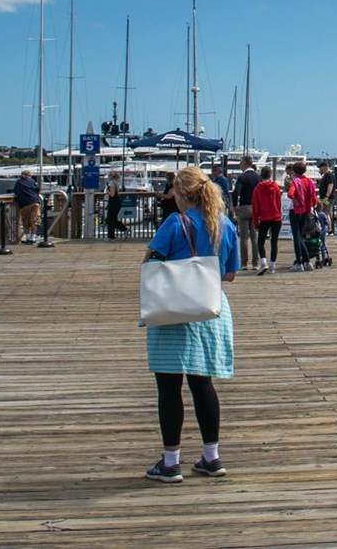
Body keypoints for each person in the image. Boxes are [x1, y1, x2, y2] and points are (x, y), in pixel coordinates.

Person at [143, 166, 239, 482]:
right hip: (210, 310)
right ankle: (211, 457)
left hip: (172, 311)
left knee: (169, 387)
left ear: (182, 193)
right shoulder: (224, 225)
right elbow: (229, 273)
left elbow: (151, 263)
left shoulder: (175, 222)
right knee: (203, 384)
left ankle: (171, 462)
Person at [286, 162, 319, 271]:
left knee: (297, 237)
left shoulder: (295, 182)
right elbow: (314, 199)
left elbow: (290, 194)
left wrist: (296, 200)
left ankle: (300, 262)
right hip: (305, 212)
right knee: (300, 236)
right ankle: (307, 262)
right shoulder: (309, 182)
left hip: (295, 211)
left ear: (294, 171)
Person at [251, 166, 282, 274]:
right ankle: (272, 265)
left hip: (264, 217)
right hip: (276, 217)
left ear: (261, 175)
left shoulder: (257, 189)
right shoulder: (276, 187)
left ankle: (263, 261)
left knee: (261, 241)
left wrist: (255, 222)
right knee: (274, 241)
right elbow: (278, 202)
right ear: (270, 174)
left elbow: (255, 207)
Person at [232, 156, 260, 269]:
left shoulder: (242, 177)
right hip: (255, 208)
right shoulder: (258, 177)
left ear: (245, 164)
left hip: (243, 208)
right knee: (254, 237)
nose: (240, 165)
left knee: (243, 237)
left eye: (241, 163)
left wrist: (235, 205)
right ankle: (255, 263)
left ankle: (244, 263)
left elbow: (236, 192)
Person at [13, 170, 41, 244]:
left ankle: (28, 238)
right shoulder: (32, 181)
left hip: (24, 204)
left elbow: (15, 191)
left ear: (22, 175)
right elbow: (37, 190)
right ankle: (33, 237)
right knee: (34, 221)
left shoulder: (19, 182)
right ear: (29, 175)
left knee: (26, 222)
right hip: (35, 202)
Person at [104, 174, 128, 241]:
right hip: (116, 202)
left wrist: (107, 191)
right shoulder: (116, 183)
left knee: (110, 219)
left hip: (113, 202)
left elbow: (112, 194)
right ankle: (124, 229)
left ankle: (111, 237)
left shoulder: (111, 183)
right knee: (113, 219)